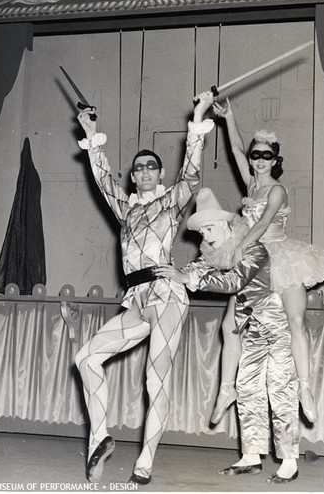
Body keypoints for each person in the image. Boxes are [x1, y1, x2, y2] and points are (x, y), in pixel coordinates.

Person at [74, 91, 215, 484]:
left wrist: (199, 117)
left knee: (155, 380)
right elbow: (103, 180)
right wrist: (90, 131)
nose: (147, 171)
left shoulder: (171, 202)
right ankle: (100, 437)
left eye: (152, 166)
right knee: (86, 358)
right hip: (135, 298)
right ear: (133, 176)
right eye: (140, 168)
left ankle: (145, 462)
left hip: (166, 295)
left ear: (159, 173)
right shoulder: (126, 207)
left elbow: (191, 174)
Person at [156, 187, 300, 483]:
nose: (206, 236)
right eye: (202, 231)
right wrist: (173, 273)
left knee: (280, 388)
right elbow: (194, 268)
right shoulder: (216, 252)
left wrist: (188, 279)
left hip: (278, 328)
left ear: (226, 225)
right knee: (247, 388)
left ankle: (289, 459)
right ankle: (251, 455)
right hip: (255, 331)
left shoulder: (253, 248)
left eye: (210, 228)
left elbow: (233, 281)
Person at [208, 97, 324, 424]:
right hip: (254, 261)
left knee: (296, 321)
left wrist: (241, 249)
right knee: (230, 325)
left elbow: (264, 223)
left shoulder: (277, 190)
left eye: (267, 155)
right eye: (256, 155)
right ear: (252, 160)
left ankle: (305, 389)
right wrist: (229, 116)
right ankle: (227, 388)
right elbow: (236, 148)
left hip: (280, 257)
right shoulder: (251, 181)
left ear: (275, 159)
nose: (260, 160)